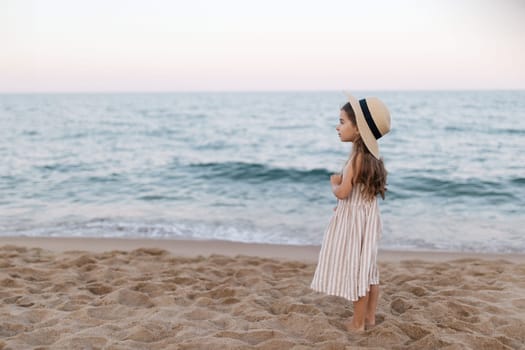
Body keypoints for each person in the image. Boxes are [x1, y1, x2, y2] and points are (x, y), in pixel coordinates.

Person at [310, 93, 391, 332]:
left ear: (358, 129)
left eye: (343, 121)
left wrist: (334, 183)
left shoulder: (356, 159)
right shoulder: (373, 158)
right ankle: (369, 318)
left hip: (355, 223)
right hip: (367, 218)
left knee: (356, 270)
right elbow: (362, 194)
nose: (338, 126)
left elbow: (344, 192)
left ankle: (357, 324)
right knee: (369, 268)